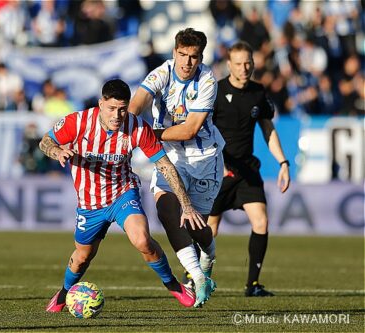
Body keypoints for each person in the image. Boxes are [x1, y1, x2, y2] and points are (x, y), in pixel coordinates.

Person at [41, 79, 205, 312]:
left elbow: (165, 165)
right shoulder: (77, 122)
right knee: (82, 256)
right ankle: (65, 292)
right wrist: (56, 150)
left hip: (122, 193)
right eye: (111, 109)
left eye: (122, 109)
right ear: (101, 104)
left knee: (142, 240)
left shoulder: (138, 127)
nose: (117, 115)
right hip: (89, 203)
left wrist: (186, 204)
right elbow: (45, 142)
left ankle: (173, 285)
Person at [129, 28, 225, 307]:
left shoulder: (207, 79)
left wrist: (147, 135)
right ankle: (198, 277)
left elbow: (189, 129)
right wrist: (129, 125)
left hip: (205, 161)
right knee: (167, 210)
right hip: (170, 159)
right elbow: (139, 102)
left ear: (201, 58)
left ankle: (208, 255)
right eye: (182, 55)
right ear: (174, 52)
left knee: (196, 226)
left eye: (193, 57)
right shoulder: (163, 72)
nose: (186, 62)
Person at [208, 41, 290, 296]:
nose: (244, 68)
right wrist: (213, 162)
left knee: (261, 222)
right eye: (239, 64)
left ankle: (252, 285)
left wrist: (283, 162)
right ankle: (196, 276)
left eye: (248, 63)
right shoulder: (215, 92)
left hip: (247, 169)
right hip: (218, 170)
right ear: (229, 65)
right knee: (210, 229)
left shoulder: (258, 92)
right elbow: (202, 130)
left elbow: (267, 129)